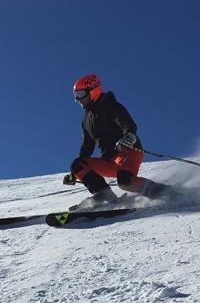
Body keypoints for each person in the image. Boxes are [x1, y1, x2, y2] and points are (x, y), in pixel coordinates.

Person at [63, 73, 170, 206]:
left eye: (80, 95)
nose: (77, 100)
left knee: (125, 182)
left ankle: (168, 193)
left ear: (93, 91)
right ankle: (103, 193)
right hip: (108, 160)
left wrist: (129, 136)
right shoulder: (86, 120)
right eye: (75, 96)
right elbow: (87, 147)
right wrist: (75, 174)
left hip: (127, 152)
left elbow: (127, 124)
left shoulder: (111, 106)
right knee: (77, 164)